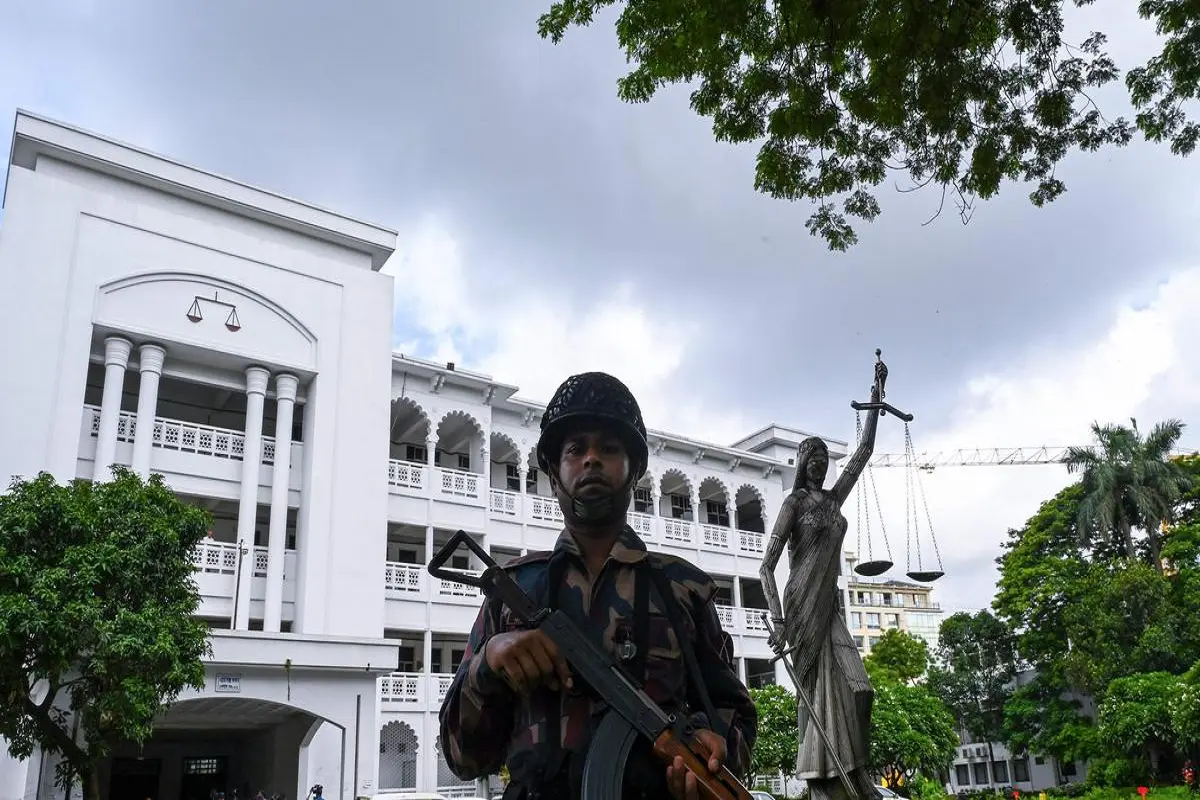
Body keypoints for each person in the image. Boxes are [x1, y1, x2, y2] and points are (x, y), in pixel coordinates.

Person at [439, 371, 757, 800]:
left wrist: (714, 747)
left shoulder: (682, 589)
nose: (591, 459)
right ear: (554, 475)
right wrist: (489, 665)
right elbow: (462, 759)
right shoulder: (514, 591)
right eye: (575, 449)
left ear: (635, 471)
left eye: (608, 448)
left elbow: (732, 717)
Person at [758, 366, 887, 800]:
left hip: (829, 604)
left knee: (859, 687)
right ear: (801, 465)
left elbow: (864, 452)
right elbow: (766, 565)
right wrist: (777, 621)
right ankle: (824, 780)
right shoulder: (794, 503)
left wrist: (876, 399)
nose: (818, 466)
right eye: (811, 460)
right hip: (801, 605)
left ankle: (858, 770)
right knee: (815, 696)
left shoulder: (834, 499)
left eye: (822, 460)